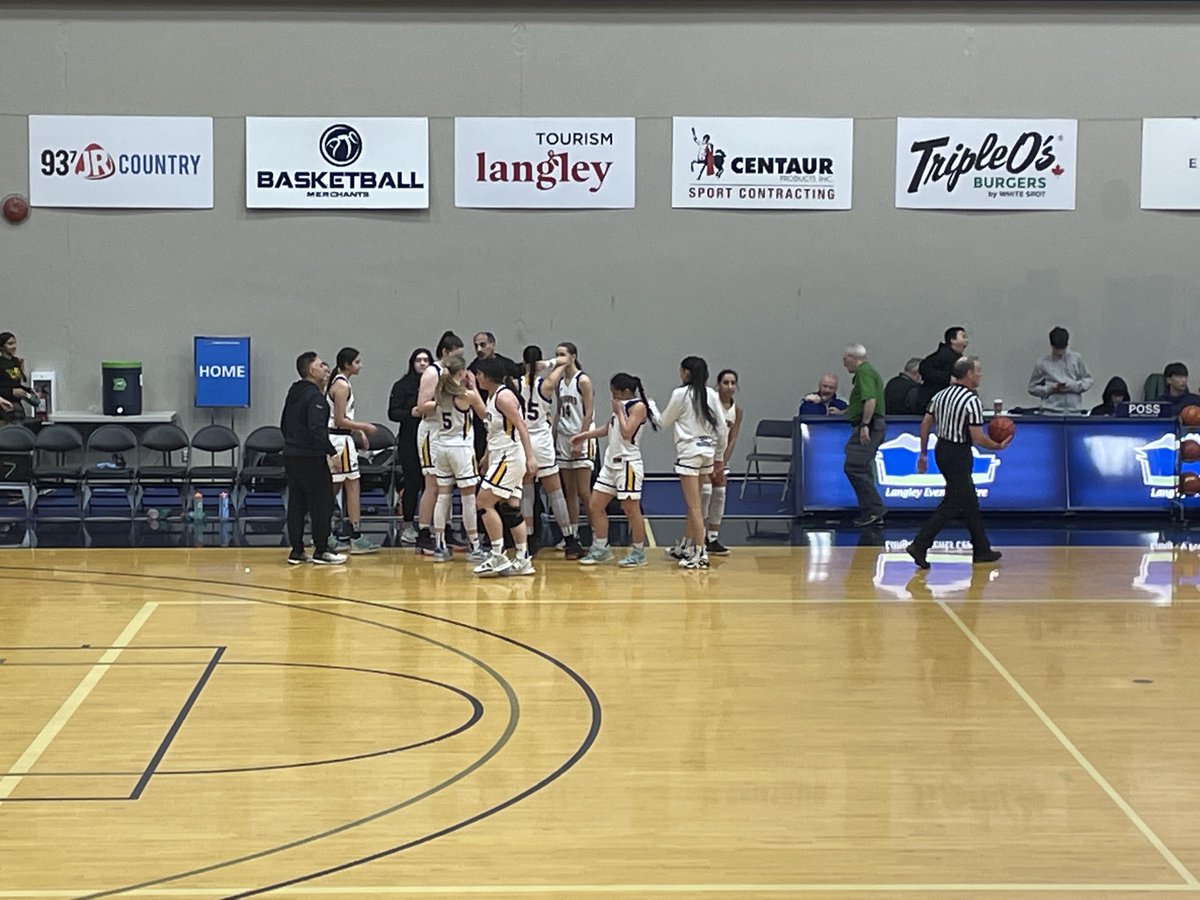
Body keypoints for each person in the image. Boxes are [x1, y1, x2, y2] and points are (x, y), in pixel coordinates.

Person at [906, 356, 1010, 569]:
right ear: (969, 374)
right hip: (958, 452)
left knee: (969, 501)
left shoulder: (941, 395)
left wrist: (923, 453)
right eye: (978, 371)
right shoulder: (972, 400)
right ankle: (920, 543)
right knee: (953, 502)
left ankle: (981, 549)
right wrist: (997, 447)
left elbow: (925, 424)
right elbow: (977, 437)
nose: (980, 375)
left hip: (941, 449)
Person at [572, 373, 659, 568]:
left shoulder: (638, 407)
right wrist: (584, 435)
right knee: (595, 505)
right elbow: (610, 428)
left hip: (628, 464)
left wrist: (619, 411)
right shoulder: (620, 408)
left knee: (630, 509)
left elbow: (627, 432)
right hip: (611, 464)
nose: (612, 397)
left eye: (614, 393)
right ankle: (602, 548)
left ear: (625, 392)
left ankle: (638, 552)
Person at [472, 357, 539, 577]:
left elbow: (521, 427)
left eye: (479, 374)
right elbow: (496, 432)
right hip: (500, 455)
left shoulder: (504, 396)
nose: (477, 377)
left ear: (487, 375)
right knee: (511, 508)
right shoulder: (493, 397)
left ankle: (497, 555)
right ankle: (522, 559)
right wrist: (486, 456)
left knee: (483, 502)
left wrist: (531, 458)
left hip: (509, 457)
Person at [660, 356, 728, 570]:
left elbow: (663, 422)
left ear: (686, 373)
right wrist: (719, 457)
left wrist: (650, 407)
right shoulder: (712, 394)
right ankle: (685, 546)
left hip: (690, 453)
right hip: (707, 452)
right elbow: (723, 429)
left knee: (694, 506)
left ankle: (700, 552)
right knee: (696, 504)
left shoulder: (680, 394)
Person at [281, 352, 346, 566]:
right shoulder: (315, 398)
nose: (326, 368)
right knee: (321, 502)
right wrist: (331, 452)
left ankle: (297, 550)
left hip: (291, 455)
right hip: (310, 456)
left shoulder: (293, 393)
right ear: (311, 371)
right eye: (321, 365)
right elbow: (317, 430)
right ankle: (321, 549)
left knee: (297, 503)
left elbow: (283, 424)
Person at [423, 353, 486, 563]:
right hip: (461, 447)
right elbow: (487, 415)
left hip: (441, 446)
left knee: (443, 496)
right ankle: (475, 546)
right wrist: (474, 387)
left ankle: (440, 546)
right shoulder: (466, 395)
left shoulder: (439, 394)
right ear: (462, 372)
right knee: (468, 498)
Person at [515, 345, 577, 556]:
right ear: (539, 362)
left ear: (523, 362)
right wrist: (550, 363)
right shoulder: (547, 384)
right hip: (542, 442)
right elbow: (564, 361)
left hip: (523, 442)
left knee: (527, 492)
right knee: (556, 492)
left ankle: (529, 540)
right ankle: (570, 539)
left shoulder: (514, 384)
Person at [414, 331, 467, 554]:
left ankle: (445, 529)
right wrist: (444, 401)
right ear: (445, 352)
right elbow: (420, 406)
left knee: (447, 485)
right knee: (433, 485)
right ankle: (423, 534)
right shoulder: (432, 372)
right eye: (456, 355)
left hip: (448, 432)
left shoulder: (451, 374)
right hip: (431, 432)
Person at [326, 347, 380, 554]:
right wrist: (364, 427)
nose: (360, 365)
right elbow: (340, 420)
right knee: (348, 487)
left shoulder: (339, 382)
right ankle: (352, 535)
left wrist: (357, 432)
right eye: (357, 362)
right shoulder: (341, 386)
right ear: (347, 364)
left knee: (341, 487)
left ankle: (335, 532)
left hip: (341, 439)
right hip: (339, 441)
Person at [552, 341, 593, 560]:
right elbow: (559, 411)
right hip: (564, 438)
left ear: (573, 356)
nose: (558, 358)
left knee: (584, 492)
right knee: (569, 491)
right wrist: (553, 434)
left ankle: (598, 536)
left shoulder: (583, 380)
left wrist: (581, 439)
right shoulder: (559, 382)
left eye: (562, 354)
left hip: (582, 436)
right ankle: (572, 534)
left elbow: (588, 412)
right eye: (556, 354)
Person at [388, 347, 433, 544]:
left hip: (432, 439)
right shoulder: (402, 385)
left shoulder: (437, 385)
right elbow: (393, 413)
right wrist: (411, 412)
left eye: (426, 360)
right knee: (412, 482)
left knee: (431, 484)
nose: (422, 364)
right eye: (418, 360)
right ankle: (407, 525)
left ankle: (429, 524)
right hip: (409, 438)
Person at [842, 344, 887, 527]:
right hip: (873, 422)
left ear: (853, 357)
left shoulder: (863, 373)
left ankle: (874, 509)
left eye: (845, 359)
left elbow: (870, 399)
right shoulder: (869, 372)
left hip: (871, 424)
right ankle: (872, 512)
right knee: (861, 467)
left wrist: (865, 425)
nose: (844, 363)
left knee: (854, 466)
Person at [701, 368, 743, 555]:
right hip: (706, 455)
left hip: (721, 459)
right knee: (705, 493)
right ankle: (698, 534)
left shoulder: (737, 410)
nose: (730, 386)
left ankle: (713, 538)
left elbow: (732, 438)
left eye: (733, 383)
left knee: (719, 495)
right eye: (726, 382)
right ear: (718, 385)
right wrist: (711, 459)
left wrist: (723, 461)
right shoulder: (710, 405)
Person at [468, 331, 520, 460]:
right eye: (476, 346)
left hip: (504, 418)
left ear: (492, 344)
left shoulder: (507, 365)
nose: (479, 349)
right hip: (483, 420)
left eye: (483, 345)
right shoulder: (473, 367)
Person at [1027, 326, 1093, 414]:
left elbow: (1088, 380)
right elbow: (1032, 388)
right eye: (1057, 349)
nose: (1060, 352)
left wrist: (1073, 386)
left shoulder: (1077, 359)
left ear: (1067, 344)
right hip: (1050, 411)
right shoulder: (1042, 363)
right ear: (1051, 345)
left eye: (1063, 349)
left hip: (1074, 411)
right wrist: (1049, 389)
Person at [918, 326, 969, 408]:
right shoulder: (942, 356)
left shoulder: (955, 358)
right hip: (934, 403)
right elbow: (924, 367)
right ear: (952, 340)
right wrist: (947, 379)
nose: (966, 341)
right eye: (963, 337)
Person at [0, 332, 41, 421]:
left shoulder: (16, 362)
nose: (14, 346)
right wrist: (11, 392)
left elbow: (15, 384)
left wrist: (29, 390)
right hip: (4, 406)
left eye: (15, 343)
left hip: (17, 404)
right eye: (10, 344)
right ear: (2, 347)